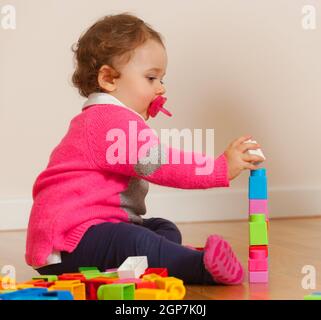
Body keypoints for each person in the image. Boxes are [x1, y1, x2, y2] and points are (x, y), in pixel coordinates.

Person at [25, 13, 265, 285]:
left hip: (95, 230)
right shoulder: (107, 121)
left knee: (162, 228)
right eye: (151, 78)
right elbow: (160, 164)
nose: (161, 88)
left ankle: (161, 258)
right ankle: (199, 268)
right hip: (71, 241)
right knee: (135, 239)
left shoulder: (108, 118)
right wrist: (219, 168)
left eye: (162, 79)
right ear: (109, 78)